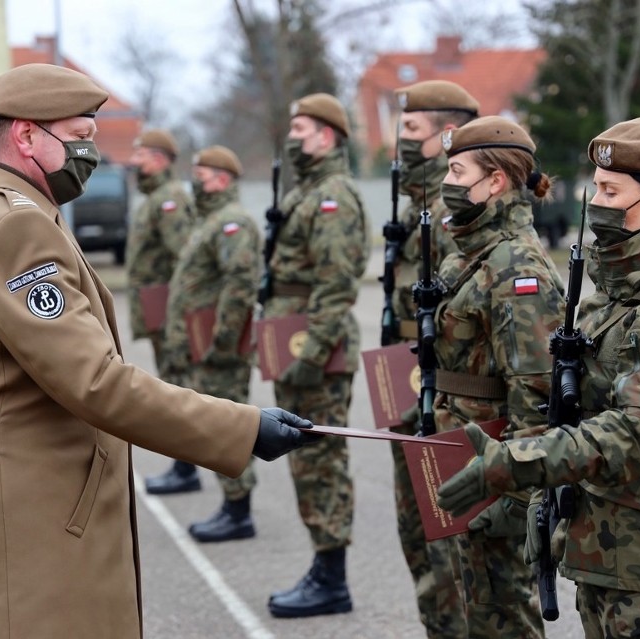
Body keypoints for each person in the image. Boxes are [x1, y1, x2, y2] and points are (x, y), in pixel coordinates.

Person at [0, 63, 319, 639]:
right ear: (27, 135)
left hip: (13, 501)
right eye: (79, 138)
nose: (91, 155)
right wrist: (242, 427)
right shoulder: (14, 229)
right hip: (30, 508)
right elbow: (98, 383)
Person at [437, 117, 640, 639]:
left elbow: (637, 432)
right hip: (602, 542)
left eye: (609, 189)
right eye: (595, 185)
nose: (593, 199)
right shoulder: (616, 294)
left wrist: (515, 464)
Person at [432, 116, 568, 638]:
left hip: (498, 471)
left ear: (495, 181)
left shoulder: (517, 267)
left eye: (457, 170)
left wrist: (516, 498)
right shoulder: (474, 252)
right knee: (481, 610)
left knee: (505, 616)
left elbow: (536, 396)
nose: (448, 182)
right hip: (468, 457)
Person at [261, 93, 370, 618]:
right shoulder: (308, 191)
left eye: (301, 127)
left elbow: (336, 283)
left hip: (316, 351)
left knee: (321, 461)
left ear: (327, 135)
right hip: (299, 345)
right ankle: (323, 568)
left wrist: (314, 352)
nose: (293, 136)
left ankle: (331, 579)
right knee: (308, 460)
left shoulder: (333, 196)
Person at [387, 79, 479, 638]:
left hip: (440, 385)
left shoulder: (455, 215)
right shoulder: (413, 202)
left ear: (447, 134)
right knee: (415, 528)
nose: (400, 140)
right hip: (404, 369)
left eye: (411, 130)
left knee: (448, 539)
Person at [161, 145, 263, 542]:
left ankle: (238, 512)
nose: (195, 182)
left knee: (227, 429)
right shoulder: (212, 221)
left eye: (201, 175)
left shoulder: (232, 222)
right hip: (203, 345)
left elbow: (239, 286)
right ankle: (232, 505)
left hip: (220, 348)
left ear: (222, 179)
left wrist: (222, 342)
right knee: (218, 427)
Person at [126, 128, 202, 495]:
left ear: (157, 158)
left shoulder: (169, 199)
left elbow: (184, 259)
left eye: (139, 156)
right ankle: (183, 464)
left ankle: (187, 468)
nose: (133, 162)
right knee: (172, 382)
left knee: (178, 386)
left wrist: (180, 316)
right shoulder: (156, 198)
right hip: (158, 308)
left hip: (169, 308)